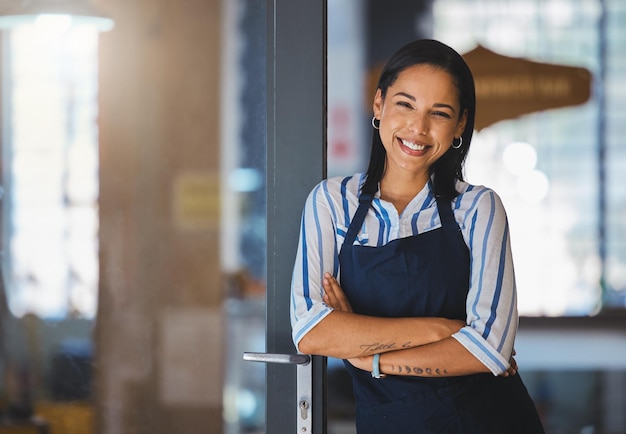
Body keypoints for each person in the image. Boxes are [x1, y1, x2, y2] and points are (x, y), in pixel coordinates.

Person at [290, 39, 545, 433]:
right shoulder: (332, 202)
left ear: (460, 124)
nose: (418, 128)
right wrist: (442, 329)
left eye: (439, 113)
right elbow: (311, 331)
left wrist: (367, 357)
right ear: (379, 105)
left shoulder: (478, 208)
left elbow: (490, 350)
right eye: (405, 104)